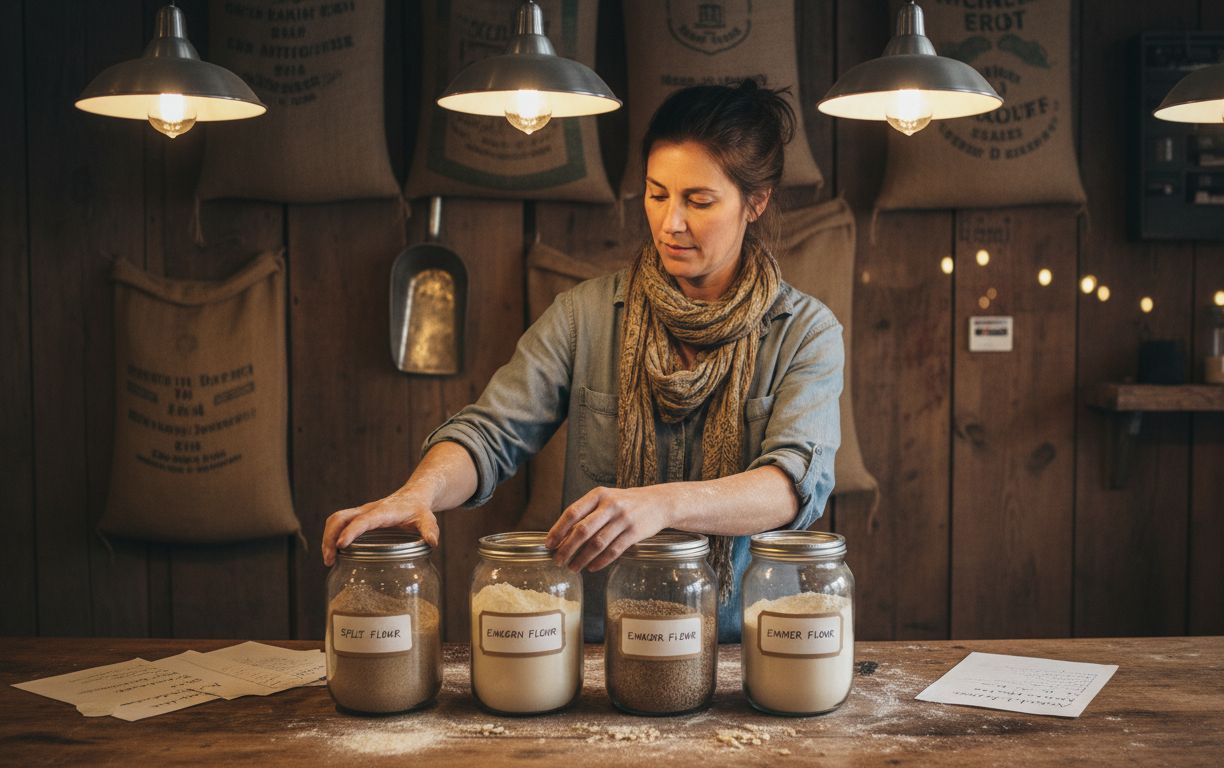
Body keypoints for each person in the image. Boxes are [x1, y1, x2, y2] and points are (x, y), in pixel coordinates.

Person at [322, 80, 842, 643]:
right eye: (656, 193)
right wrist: (418, 492)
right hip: (596, 646)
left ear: (755, 202)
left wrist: (661, 505)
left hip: (740, 648)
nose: (670, 222)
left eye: (698, 200)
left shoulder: (805, 332)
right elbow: (491, 431)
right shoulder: (584, 315)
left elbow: (791, 485)